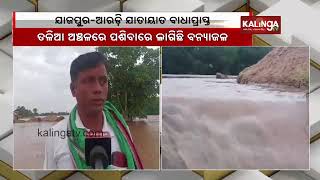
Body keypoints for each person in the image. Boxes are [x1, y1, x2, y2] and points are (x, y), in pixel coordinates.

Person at [44, 52, 143, 169]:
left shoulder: (122, 129)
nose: (98, 89)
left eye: (103, 81)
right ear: (73, 89)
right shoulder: (56, 135)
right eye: (89, 81)